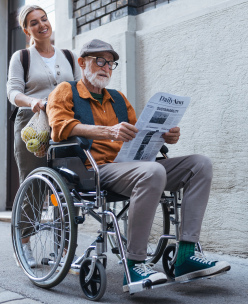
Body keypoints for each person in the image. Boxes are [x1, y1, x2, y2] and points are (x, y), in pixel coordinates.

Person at [46, 38, 230, 290]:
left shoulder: (118, 99)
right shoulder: (66, 91)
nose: (106, 67)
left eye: (111, 63)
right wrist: (108, 132)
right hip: (94, 169)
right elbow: (59, 129)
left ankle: (186, 255)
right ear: (82, 63)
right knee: (151, 171)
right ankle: (134, 266)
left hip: (132, 165)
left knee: (200, 164)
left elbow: (139, 132)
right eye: (100, 61)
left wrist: (166, 135)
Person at [6, 4, 82, 267]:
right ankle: (24, 242)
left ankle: (63, 249)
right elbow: (12, 92)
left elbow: (81, 89)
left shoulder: (69, 56)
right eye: (34, 22)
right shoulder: (22, 57)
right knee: (36, 186)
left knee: (66, 187)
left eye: (44, 19)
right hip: (34, 126)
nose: (41, 25)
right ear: (27, 30)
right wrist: (32, 102)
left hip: (64, 125)